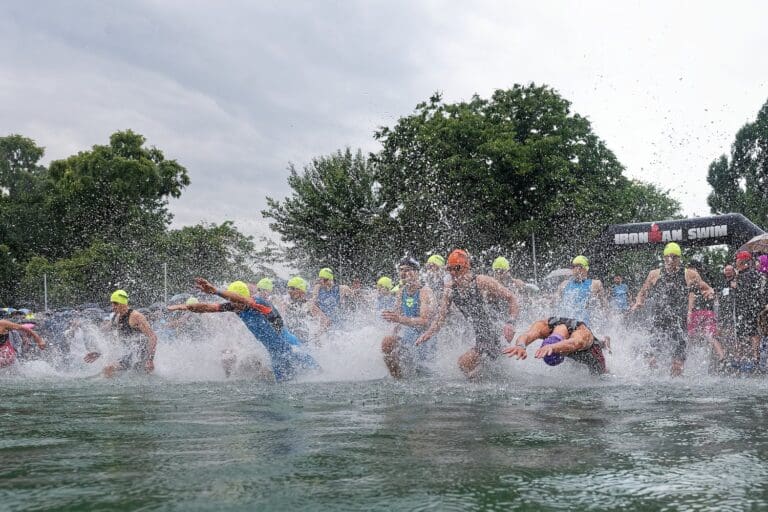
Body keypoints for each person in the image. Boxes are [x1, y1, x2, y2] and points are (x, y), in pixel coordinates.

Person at [169, 279, 318, 382]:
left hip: (291, 346)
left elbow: (243, 300)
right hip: (275, 353)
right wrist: (187, 307)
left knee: (316, 374)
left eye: (236, 300)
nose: (234, 305)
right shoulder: (235, 307)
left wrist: (215, 291)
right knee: (285, 387)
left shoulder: (258, 303)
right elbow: (209, 307)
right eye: (231, 302)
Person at [416, 249, 519, 378]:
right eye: (450, 269)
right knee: (477, 371)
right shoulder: (450, 291)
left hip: (496, 332)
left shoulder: (481, 281)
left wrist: (511, 322)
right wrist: (429, 332)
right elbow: (441, 318)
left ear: (466, 267)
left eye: (457, 268)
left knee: (464, 363)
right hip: (481, 336)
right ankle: (484, 389)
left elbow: (512, 298)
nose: (453, 273)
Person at [632, 242, 714, 376]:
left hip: (678, 324)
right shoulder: (654, 274)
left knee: (677, 366)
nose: (670, 260)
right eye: (667, 257)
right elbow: (643, 291)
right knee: (651, 361)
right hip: (659, 321)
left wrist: (710, 292)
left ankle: (677, 390)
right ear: (663, 258)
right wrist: (638, 302)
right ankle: (656, 384)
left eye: (674, 257)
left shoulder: (689, 274)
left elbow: (706, 287)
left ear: (679, 259)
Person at [381, 257, 436, 378]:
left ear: (416, 272)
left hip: (424, 342)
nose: (403, 273)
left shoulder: (425, 292)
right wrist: (394, 326)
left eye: (407, 270)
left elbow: (425, 321)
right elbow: (398, 318)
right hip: (409, 340)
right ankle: (398, 380)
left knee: (422, 374)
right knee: (387, 343)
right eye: (401, 270)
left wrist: (399, 319)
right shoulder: (401, 292)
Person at [84, 290, 158, 377]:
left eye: (115, 303)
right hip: (129, 354)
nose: (113, 306)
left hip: (140, 353)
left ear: (123, 303)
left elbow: (153, 337)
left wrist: (150, 360)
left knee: (109, 369)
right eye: (112, 303)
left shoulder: (136, 316)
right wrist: (99, 353)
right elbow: (111, 340)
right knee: (107, 369)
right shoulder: (116, 317)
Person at [503, 317, 608, 375]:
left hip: (588, 351)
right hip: (564, 344)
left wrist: (553, 347)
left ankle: (605, 342)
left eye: (563, 351)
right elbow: (527, 335)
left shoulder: (581, 334)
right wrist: (521, 346)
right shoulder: (544, 327)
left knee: (600, 375)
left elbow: (574, 343)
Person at [731, 251, 765, 364]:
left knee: (744, 333)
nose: (735, 261)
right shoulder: (754, 273)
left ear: (741, 261)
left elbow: (745, 291)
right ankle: (754, 357)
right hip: (753, 308)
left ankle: (742, 357)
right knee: (753, 332)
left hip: (746, 308)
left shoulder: (745, 275)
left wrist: (736, 285)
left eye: (737, 259)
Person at [556, 255, 606, 327]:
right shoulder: (564, 284)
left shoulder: (595, 284)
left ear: (586, 269)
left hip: (583, 325)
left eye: (580, 267)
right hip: (565, 323)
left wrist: (607, 319)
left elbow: (603, 304)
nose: (576, 269)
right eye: (574, 267)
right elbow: (555, 301)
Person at [310, 268, 356, 333]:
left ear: (331, 279)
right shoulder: (318, 288)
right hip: (324, 323)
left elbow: (355, 296)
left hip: (338, 324)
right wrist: (323, 317)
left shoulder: (341, 288)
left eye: (325, 280)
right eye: (321, 279)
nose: (322, 282)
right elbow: (312, 305)